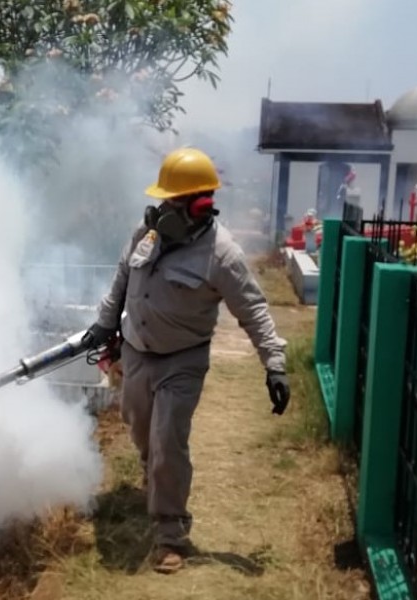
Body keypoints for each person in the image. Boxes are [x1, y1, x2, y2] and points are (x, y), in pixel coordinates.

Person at [83, 147, 291, 574]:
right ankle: (156, 482)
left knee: (167, 443)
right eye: (162, 200)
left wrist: (275, 364)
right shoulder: (147, 233)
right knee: (141, 433)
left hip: (182, 360)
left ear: (198, 206)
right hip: (137, 353)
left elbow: (254, 311)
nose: (162, 209)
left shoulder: (222, 255)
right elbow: (122, 277)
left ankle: (170, 533)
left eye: (172, 202)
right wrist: (105, 324)